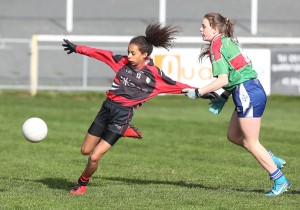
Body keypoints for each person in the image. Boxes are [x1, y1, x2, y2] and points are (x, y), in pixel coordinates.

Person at [62, 22, 218, 195]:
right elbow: (101, 54)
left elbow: (178, 86)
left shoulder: (154, 75)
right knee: (85, 151)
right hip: (106, 109)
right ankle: (126, 131)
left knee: (94, 156)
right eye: (128, 51)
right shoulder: (122, 62)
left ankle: (81, 184)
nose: (129, 56)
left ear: (144, 54)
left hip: (121, 116)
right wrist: (77, 48)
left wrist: (202, 92)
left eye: (133, 53)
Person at [182, 12, 291, 196]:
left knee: (251, 142)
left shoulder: (217, 46)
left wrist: (199, 92)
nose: (201, 30)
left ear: (215, 28)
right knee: (233, 135)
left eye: (204, 26)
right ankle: (271, 158)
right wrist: (224, 98)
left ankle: (280, 180)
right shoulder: (226, 40)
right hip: (250, 90)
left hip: (247, 92)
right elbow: (235, 75)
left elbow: (223, 80)